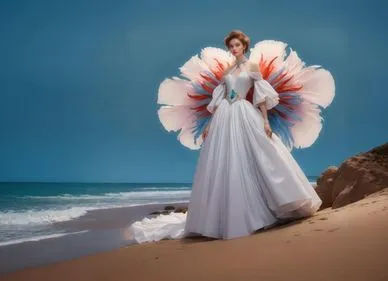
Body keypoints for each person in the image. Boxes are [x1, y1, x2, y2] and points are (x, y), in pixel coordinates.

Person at [130, 30, 323, 242]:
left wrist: (266, 121)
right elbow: (219, 98)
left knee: (260, 154)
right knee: (223, 162)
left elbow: (260, 96)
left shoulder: (252, 67)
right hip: (223, 115)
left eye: (237, 45)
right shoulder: (228, 70)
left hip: (243, 111)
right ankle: (223, 219)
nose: (233, 49)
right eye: (231, 46)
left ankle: (271, 205)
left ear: (244, 46)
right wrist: (209, 124)